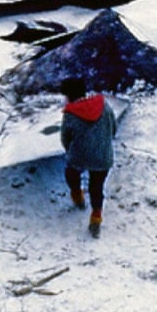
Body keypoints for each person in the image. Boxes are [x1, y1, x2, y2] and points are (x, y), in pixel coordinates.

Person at [59, 76, 116, 237]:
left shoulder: (70, 114)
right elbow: (114, 127)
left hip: (79, 156)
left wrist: (69, 150)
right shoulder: (104, 105)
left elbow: (65, 138)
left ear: (69, 96)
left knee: (71, 173)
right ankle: (96, 218)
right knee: (96, 187)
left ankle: (78, 198)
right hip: (103, 156)